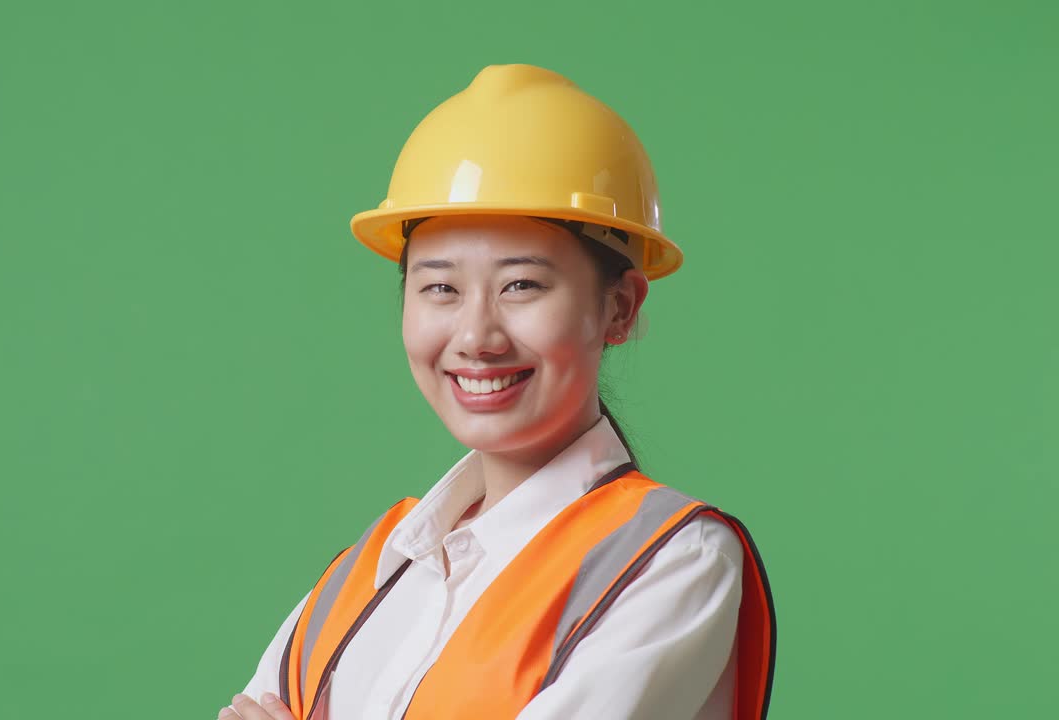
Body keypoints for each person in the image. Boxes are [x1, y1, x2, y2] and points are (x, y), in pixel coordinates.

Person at [219, 63, 775, 720]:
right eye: (440, 289)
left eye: (521, 286)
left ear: (619, 307)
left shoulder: (671, 561)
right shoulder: (373, 565)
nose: (476, 335)